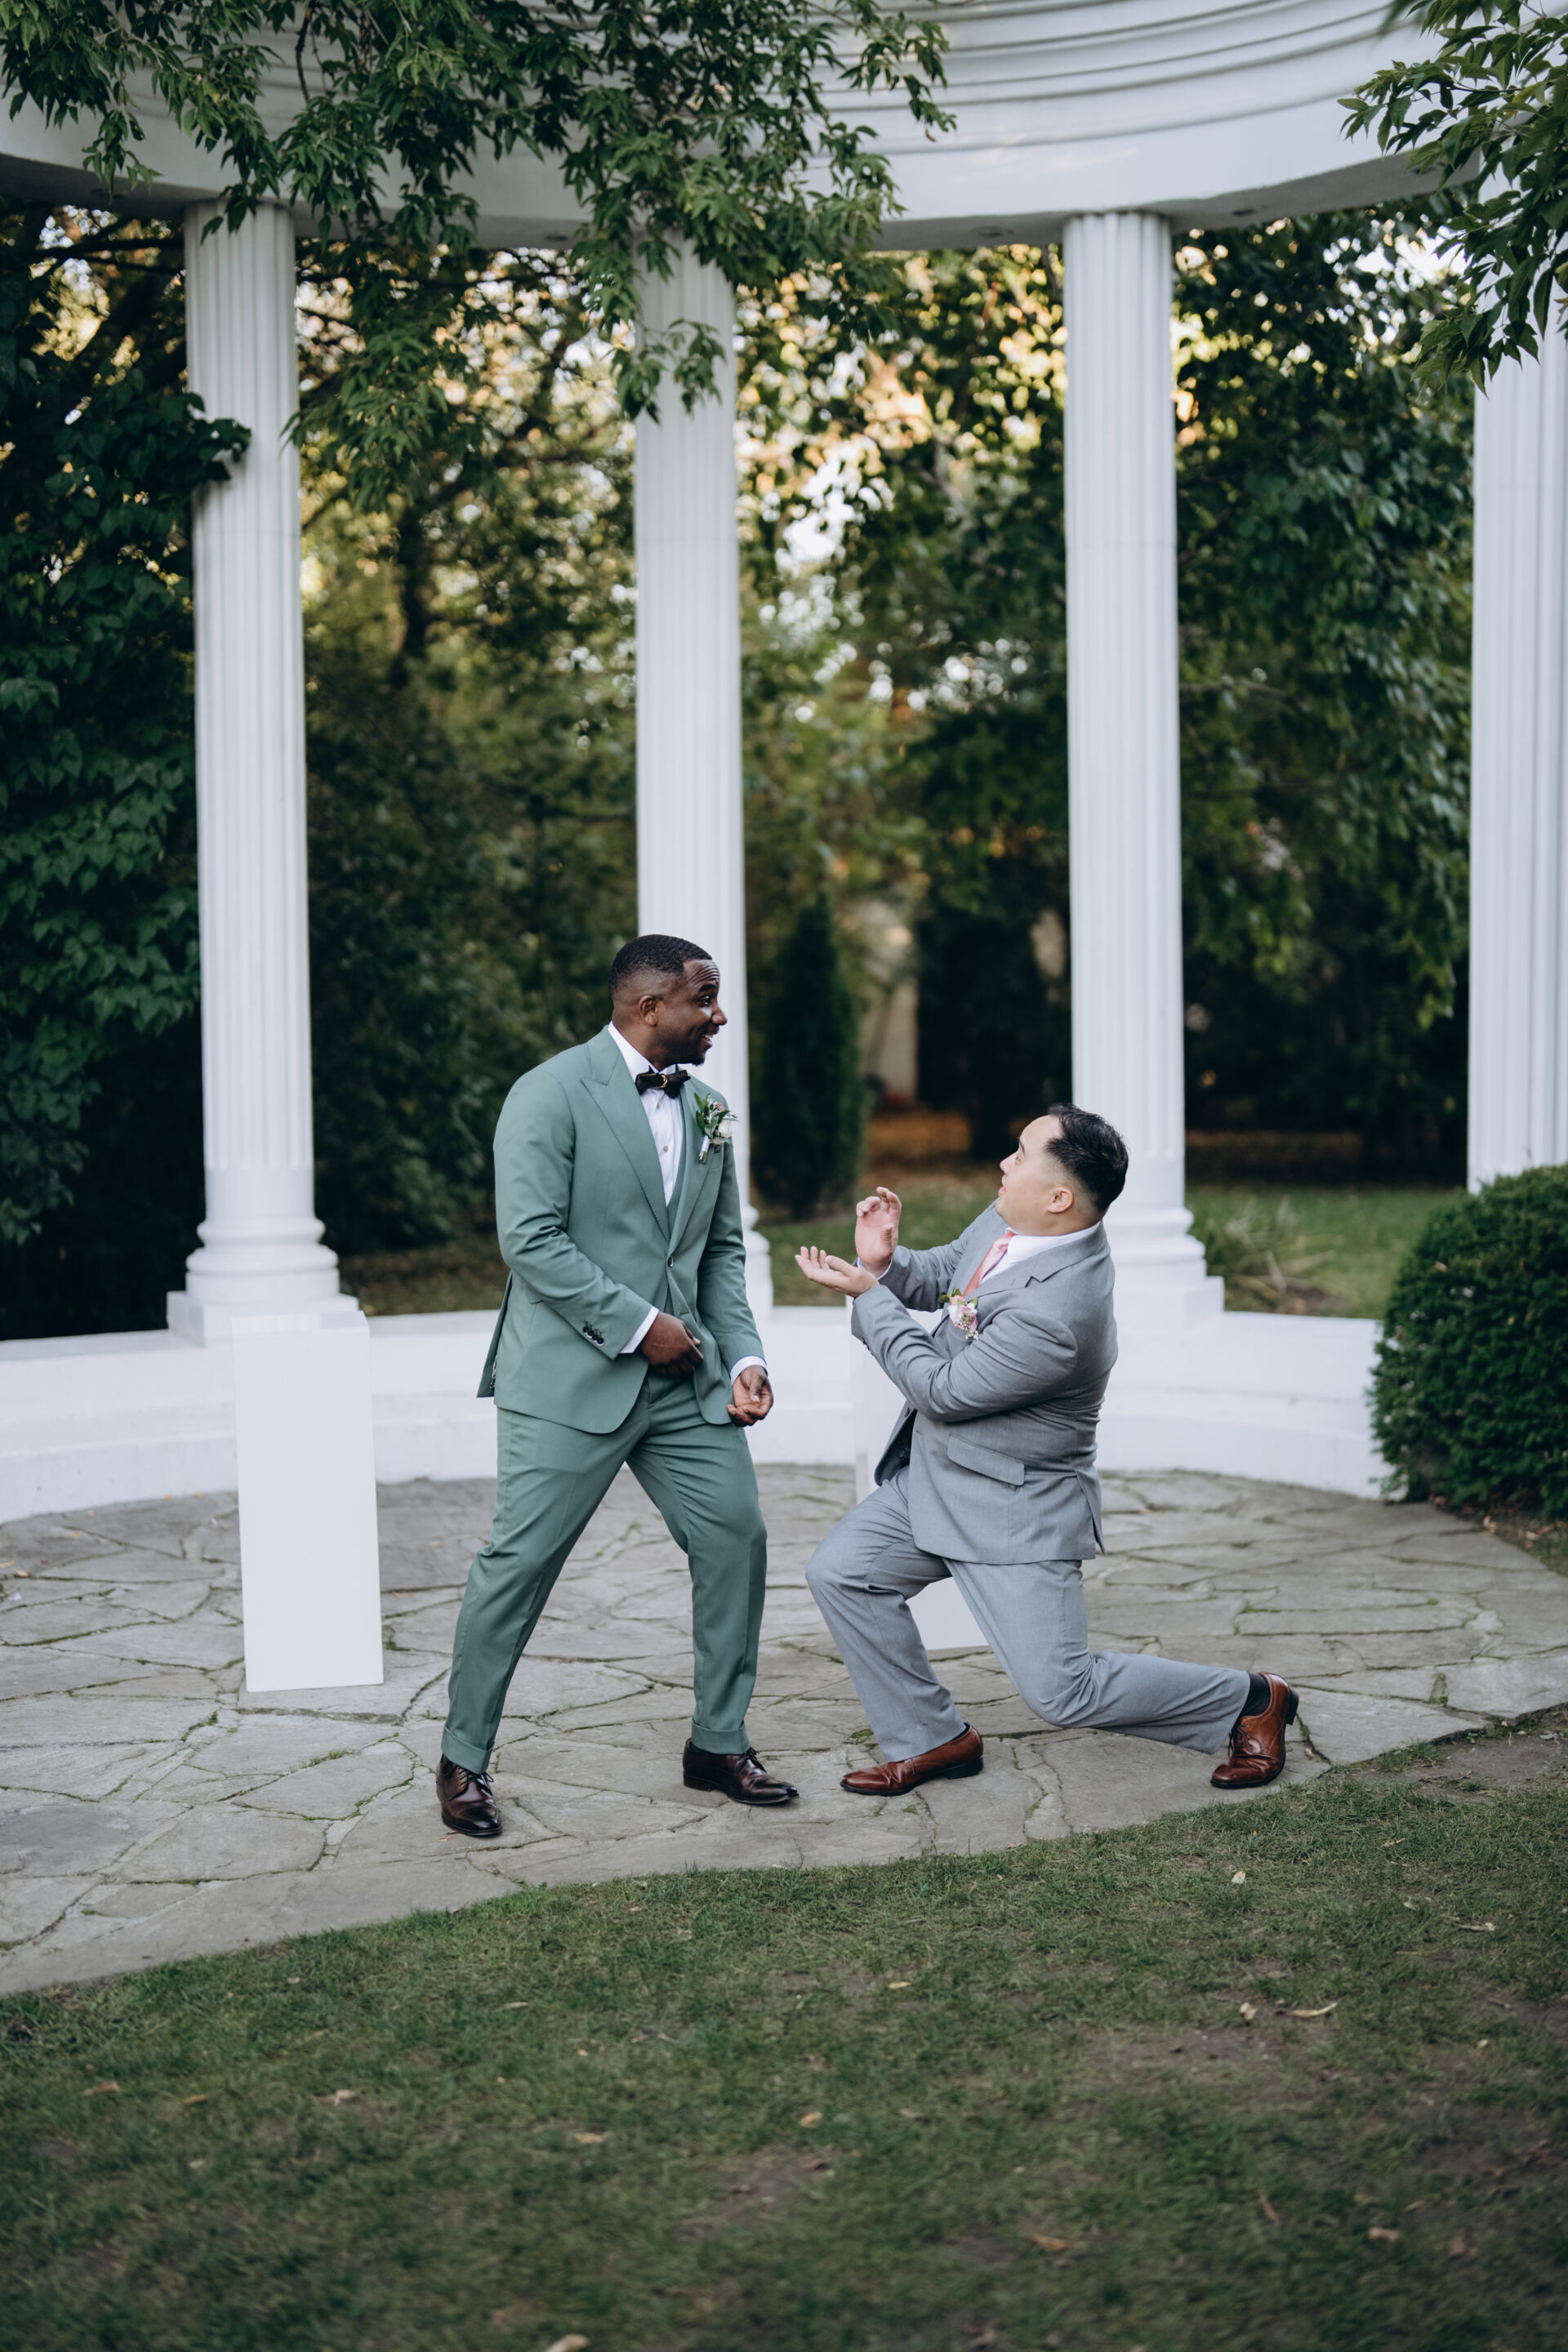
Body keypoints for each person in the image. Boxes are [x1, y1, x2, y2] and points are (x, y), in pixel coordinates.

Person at [794, 1103, 1297, 1796]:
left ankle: (1252, 1699)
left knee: (1063, 1691)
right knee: (844, 1572)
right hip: (939, 1475)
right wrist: (888, 1262)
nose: (1005, 1163)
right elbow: (950, 1273)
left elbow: (940, 1390)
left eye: (1021, 1154)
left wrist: (870, 1295)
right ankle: (931, 1738)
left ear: (1060, 1198)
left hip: (1013, 1508)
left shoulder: (1061, 1314)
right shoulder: (1014, 1216)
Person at [437, 933, 799, 1836]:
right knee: (520, 1564)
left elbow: (718, 1252)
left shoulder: (709, 1108)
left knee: (737, 1536)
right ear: (648, 1007)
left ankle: (718, 1742)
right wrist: (642, 1327)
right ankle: (462, 1759)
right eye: (704, 999)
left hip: (685, 1382)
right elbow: (530, 1240)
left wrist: (744, 1358)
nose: (719, 1015)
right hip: (572, 1378)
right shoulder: (548, 1093)